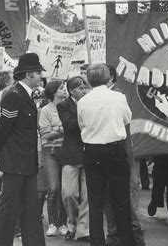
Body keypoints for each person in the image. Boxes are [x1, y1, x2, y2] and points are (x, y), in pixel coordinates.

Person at [0, 53, 46, 246]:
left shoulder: (25, 95)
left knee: (31, 208)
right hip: (14, 162)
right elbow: (2, 130)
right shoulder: (14, 95)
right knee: (8, 208)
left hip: (26, 163)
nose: (40, 77)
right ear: (29, 74)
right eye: (38, 73)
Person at [77, 63, 135, 245]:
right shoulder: (118, 97)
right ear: (107, 77)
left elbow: (82, 124)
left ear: (89, 79)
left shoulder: (82, 101)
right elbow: (127, 118)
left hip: (92, 151)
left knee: (95, 202)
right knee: (121, 200)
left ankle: (97, 241)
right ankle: (127, 241)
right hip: (114, 150)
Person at [105, 64, 146, 246]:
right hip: (117, 153)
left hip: (121, 152)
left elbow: (124, 124)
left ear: (110, 78)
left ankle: (125, 236)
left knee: (124, 197)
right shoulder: (108, 96)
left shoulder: (118, 95)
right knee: (118, 198)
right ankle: (121, 235)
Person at [56, 75, 91, 242]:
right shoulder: (64, 105)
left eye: (85, 88)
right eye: (80, 88)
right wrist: (86, 116)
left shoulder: (93, 103)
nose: (84, 91)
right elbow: (69, 125)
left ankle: (83, 229)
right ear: (71, 91)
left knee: (87, 194)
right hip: (71, 154)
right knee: (69, 193)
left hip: (90, 153)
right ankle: (72, 224)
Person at [39, 80, 69, 237]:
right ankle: (52, 222)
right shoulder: (45, 110)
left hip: (67, 151)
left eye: (64, 88)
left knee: (65, 189)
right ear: (53, 92)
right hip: (50, 151)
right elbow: (45, 135)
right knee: (53, 187)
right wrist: (63, 129)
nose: (64, 90)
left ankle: (63, 222)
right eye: (61, 88)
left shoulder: (69, 107)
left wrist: (56, 129)